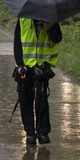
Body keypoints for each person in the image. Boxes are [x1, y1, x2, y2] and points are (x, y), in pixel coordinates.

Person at [13, 16, 62, 146]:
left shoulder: (51, 19)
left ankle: (42, 133)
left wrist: (49, 29)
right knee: (25, 100)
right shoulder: (23, 19)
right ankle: (30, 133)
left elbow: (57, 39)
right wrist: (20, 64)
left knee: (41, 101)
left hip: (42, 67)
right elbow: (17, 42)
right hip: (26, 67)